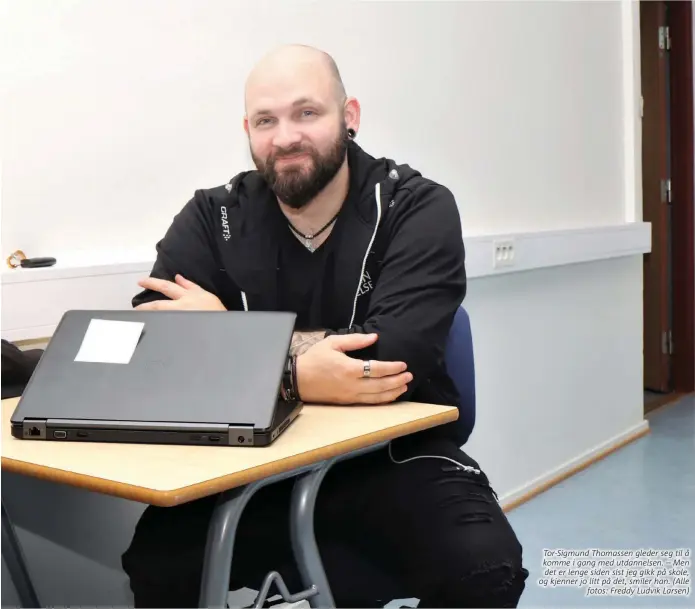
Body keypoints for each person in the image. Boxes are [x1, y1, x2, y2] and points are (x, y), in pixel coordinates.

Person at [121, 44, 529, 608]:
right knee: (156, 560)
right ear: (248, 129)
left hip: (393, 456)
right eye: (266, 120)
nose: (285, 136)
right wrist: (297, 371)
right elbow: (153, 340)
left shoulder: (417, 206)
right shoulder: (213, 217)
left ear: (350, 116)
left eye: (307, 112)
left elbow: (396, 352)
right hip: (251, 461)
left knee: (484, 568)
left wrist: (232, 340)